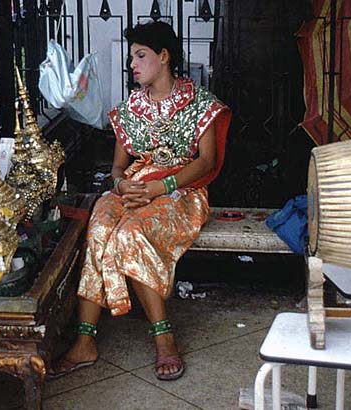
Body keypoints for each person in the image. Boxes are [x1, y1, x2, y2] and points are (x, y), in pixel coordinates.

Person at [47, 21, 231, 380]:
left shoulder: (200, 104)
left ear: (164, 57)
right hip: (135, 187)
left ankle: (164, 339)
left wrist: (162, 187)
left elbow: (206, 162)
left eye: (140, 55)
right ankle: (85, 342)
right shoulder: (130, 107)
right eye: (132, 56)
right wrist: (120, 187)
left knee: (130, 234)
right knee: (99, 226)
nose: (132, 64)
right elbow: (118, 168)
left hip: (181, 191)